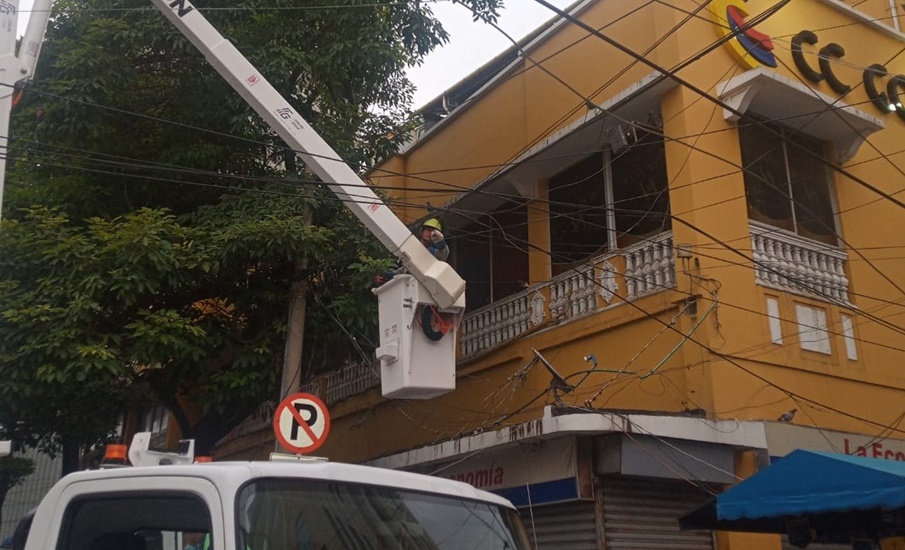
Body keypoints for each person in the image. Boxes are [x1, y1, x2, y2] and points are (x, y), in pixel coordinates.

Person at [375, 218, 448, 285]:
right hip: (411, 286)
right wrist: (386, 275)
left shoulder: (434, 251)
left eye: (433, 232)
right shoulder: (414, 249)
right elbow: (404, 270)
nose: (430, 234)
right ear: (421, 231)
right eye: (428, 230)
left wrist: (440, 242)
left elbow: (442, 254)